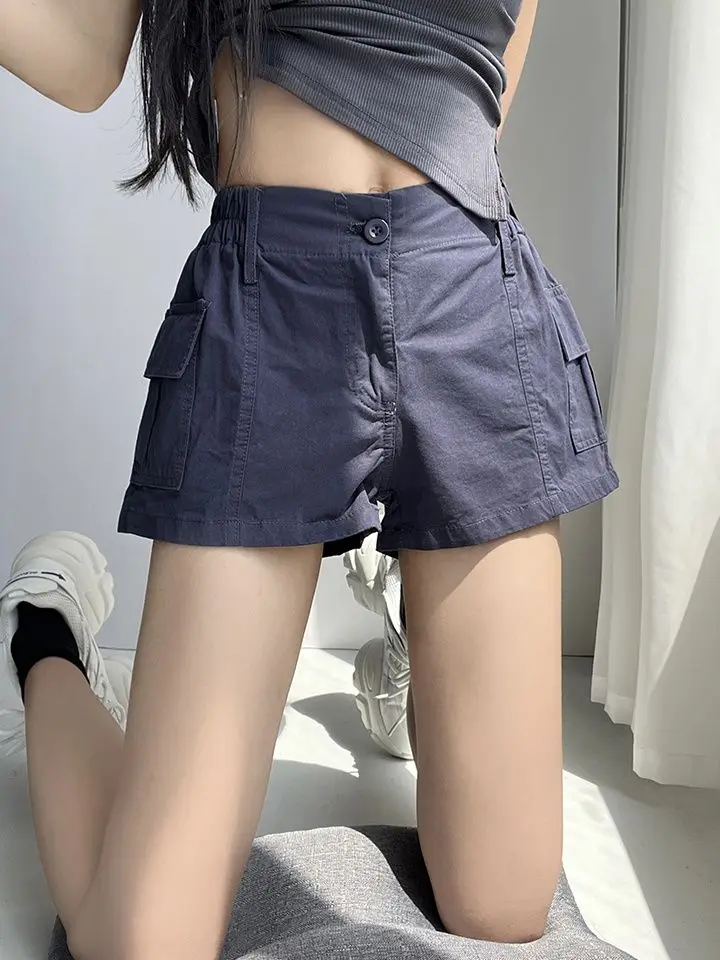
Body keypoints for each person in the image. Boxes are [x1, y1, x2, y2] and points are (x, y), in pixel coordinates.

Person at [0, 2, 620, 958]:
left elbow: (492, 80)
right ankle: (47, 632)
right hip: (270, 308)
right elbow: (86, 62)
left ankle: (420, 623)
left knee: (503, 913)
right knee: (139, 944)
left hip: (472, 300)